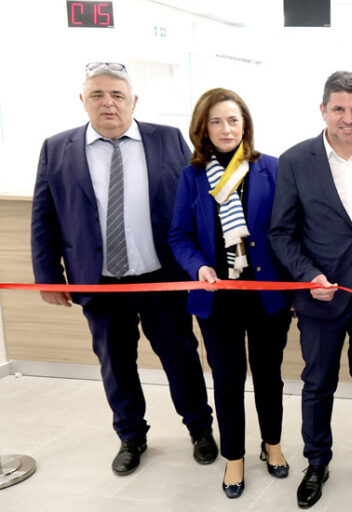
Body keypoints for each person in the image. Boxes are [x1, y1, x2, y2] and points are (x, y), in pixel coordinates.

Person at [30, 62, 217, 476]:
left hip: (162, 277)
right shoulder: (57, 148)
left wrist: (201, 264)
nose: (108, 103)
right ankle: (131, 435)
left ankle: (199, 428)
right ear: (83, 100)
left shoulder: (167, 139)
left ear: (134, 101)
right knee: (115, 362)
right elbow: (44, 218)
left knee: (180, 356)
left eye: (117, 95)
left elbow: (195, 205)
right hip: (100, 282)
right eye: (97, 95)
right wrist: (48, 277)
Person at [269, 71, 352, 509]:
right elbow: (281, 233)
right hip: (320, 295)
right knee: (318, 383)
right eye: (339, 109)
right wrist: (307, 274)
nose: (348, 118)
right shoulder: (295, 160)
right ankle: (316, 462)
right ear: (323, 110)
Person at [168, 88, 292, 498]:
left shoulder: (271, 168)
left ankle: (272, 444)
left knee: (269, 375)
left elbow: (288, 230)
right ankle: (234, 456)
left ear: (245, 125)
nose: (226, 128)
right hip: (217, 298)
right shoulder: (191, 177)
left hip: (266, 296)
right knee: (227, 379)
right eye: (216, 121)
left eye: (233, 120)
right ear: (203, 128)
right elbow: (179, 236)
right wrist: (197, 266)